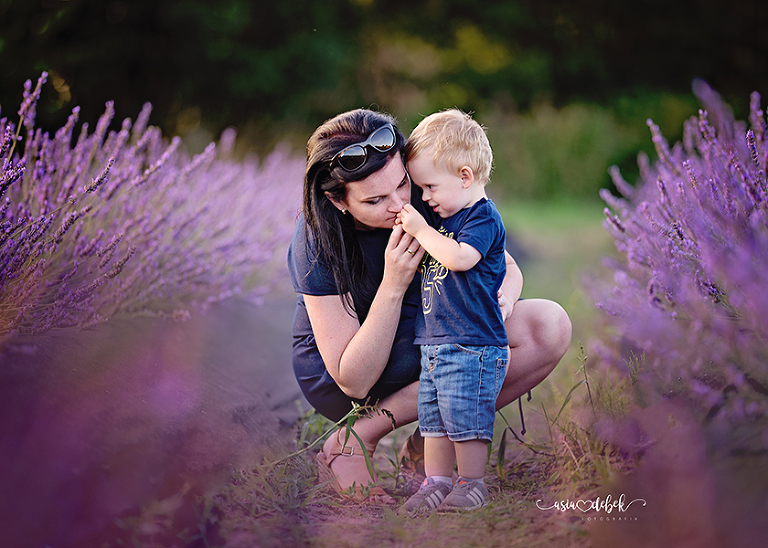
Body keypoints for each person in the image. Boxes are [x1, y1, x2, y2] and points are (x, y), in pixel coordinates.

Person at [286, 108, 572, 504]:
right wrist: (393, 283)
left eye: (402, 184)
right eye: (374, 200)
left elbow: (504, 264)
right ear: (338, 201)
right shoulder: (316, 238)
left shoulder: (427, 191)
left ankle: (428, 449)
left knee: (547, 326)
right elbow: (353, 379)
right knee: (455, 345)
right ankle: (353, 439)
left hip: (429, 332)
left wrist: (502, 300)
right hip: (347, 368)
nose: (399, 203)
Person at [396, 109, 508, 512]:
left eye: (429, 187)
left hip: (473, 343)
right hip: (437, 342)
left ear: (464, 177)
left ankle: (472, 483)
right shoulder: (444, 217)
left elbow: (460, 259)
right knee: (435, 420)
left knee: (465, 416)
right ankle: (437, 481)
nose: (424, 198)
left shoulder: (482, 217)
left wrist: (422, 231)